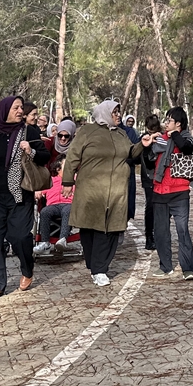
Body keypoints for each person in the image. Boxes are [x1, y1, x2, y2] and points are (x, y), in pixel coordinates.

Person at [0, 95, 50, 300]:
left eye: (21, 108)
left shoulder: (29, 132)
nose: (19, 111)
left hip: (19, 196)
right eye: (15, 107)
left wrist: (31, 150)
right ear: (4, 110)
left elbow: (45, 157)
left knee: (20, 236)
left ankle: (27, 268)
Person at [62, 99, 146, 286]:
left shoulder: (122, 134)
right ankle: (94, 265)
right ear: (105, 113)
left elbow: (131, 153)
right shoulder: (86, 132)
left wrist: (142, 144)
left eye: (119, 112)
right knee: (89, 228)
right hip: (90, 190)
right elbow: (72, 157)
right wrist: (67, 181)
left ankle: (100, 269)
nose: (118, 116)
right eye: (114, 112)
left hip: (116, 190)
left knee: (109, 230)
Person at [146, 106, 193, 280]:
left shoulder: (186, 139)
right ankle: (165, 266)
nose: (165, 124)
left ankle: (188, 268)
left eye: (169, 121)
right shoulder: (159, 140)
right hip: (159, 192)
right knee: (161, 232)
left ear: (178, 124)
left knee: (183, 230)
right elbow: (149, 162)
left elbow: (185, 148)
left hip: (179, 193)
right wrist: (148, 145)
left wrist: (174, 134)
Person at [33, 155, 75, 255]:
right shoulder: (51, 180)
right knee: (44, 211)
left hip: (68, 204)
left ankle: (62, 240)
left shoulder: (75, 178)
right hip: (53, 205)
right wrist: (38, 191)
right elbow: (41, 191)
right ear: (58, 168)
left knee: (67, 210)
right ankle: (45, 243)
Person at [139, 114, 161, 250]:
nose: (152, 132)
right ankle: (149, 236)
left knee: (162, 206)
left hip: (161, 175)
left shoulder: (163, 136)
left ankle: (160, 234)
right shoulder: (144, 138)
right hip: (148, 175)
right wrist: (148, 142)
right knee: (151, 205)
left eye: (155, 129)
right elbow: (143, 157)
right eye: (150, 130)